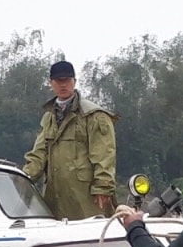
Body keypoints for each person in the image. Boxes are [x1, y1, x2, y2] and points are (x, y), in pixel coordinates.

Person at [22, 60, 117, 220]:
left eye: (67, 80)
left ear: (74, 81)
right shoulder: (49, 117)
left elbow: (104, 154)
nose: (63, 85)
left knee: (91, 239)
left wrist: (103, 186)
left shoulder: (93, 115)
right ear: (51, 83)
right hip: (55, 197)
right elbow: (39, 154)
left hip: (86, 196)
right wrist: (23, 179)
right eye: (59, 81)